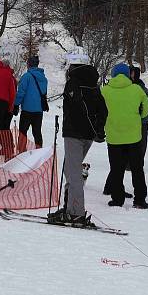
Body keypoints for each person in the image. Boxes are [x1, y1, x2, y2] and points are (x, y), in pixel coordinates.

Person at [49, 56, 108, 225]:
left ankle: (75, 213)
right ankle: (70, 207)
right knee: (70, 169)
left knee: (73, 173)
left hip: (74, 133)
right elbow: (103, 110)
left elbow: (79, 108)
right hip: (87, 135)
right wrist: (98, 129)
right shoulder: (94, 85)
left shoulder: (74, 83)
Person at [101, 63, 148, 209]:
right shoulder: (136, 89)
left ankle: (117, 199)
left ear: (114, 74)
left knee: (116, 169)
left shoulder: (105, 90)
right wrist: (141, 118)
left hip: (114, 136)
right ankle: (140, 200)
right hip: (133, 135)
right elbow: (146, 105)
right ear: (129, 74)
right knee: (137, 168)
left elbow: (99, 109)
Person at [13, 55, 49, 152]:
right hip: (39, 110)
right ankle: (38, 151)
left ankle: (21, 151)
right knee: (37, 132)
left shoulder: (26, 77)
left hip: (27, 110)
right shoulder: (44, 78)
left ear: (29, 64)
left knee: (23, 131)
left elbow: (21, 93)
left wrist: (16, 104)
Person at [129, 65, 148, 158]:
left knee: (139, 144)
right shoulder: (139, 87)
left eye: (131, 73)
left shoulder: (139, 88)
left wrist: (142, 118)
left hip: (140, 122)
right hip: (139, 121)